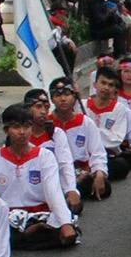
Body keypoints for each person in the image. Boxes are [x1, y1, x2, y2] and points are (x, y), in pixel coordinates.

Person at [0, 104, 77, 250]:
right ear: (6, 130)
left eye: (26, 126)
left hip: (39, 215)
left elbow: (54, 192)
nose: (22, 132)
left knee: (65, 234)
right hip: (7, 218)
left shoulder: (45, 156)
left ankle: (23, 237)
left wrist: (65, 223)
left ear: (32, 128)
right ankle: (24, 236)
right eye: (16, 127)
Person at [47, 78, 111, 208]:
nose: (63, 99)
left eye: (67, 94)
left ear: (74, 97)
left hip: (81, 171)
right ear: (52, 100)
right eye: (58, 95)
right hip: (57, 173)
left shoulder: (85, 122)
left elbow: (97, 151)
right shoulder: (46, 125)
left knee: (106, 184)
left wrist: (98, 172)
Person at [84, 65, 131, 178]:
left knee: (123, 165)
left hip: (109, 155)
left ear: (115, 89)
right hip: (84, 155)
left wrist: (92, 131)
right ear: (95, 85)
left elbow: (115, 140)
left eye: (111, 85)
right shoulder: (82, 106)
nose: (106, 88)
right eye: (103, 83)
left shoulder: (120, 110)